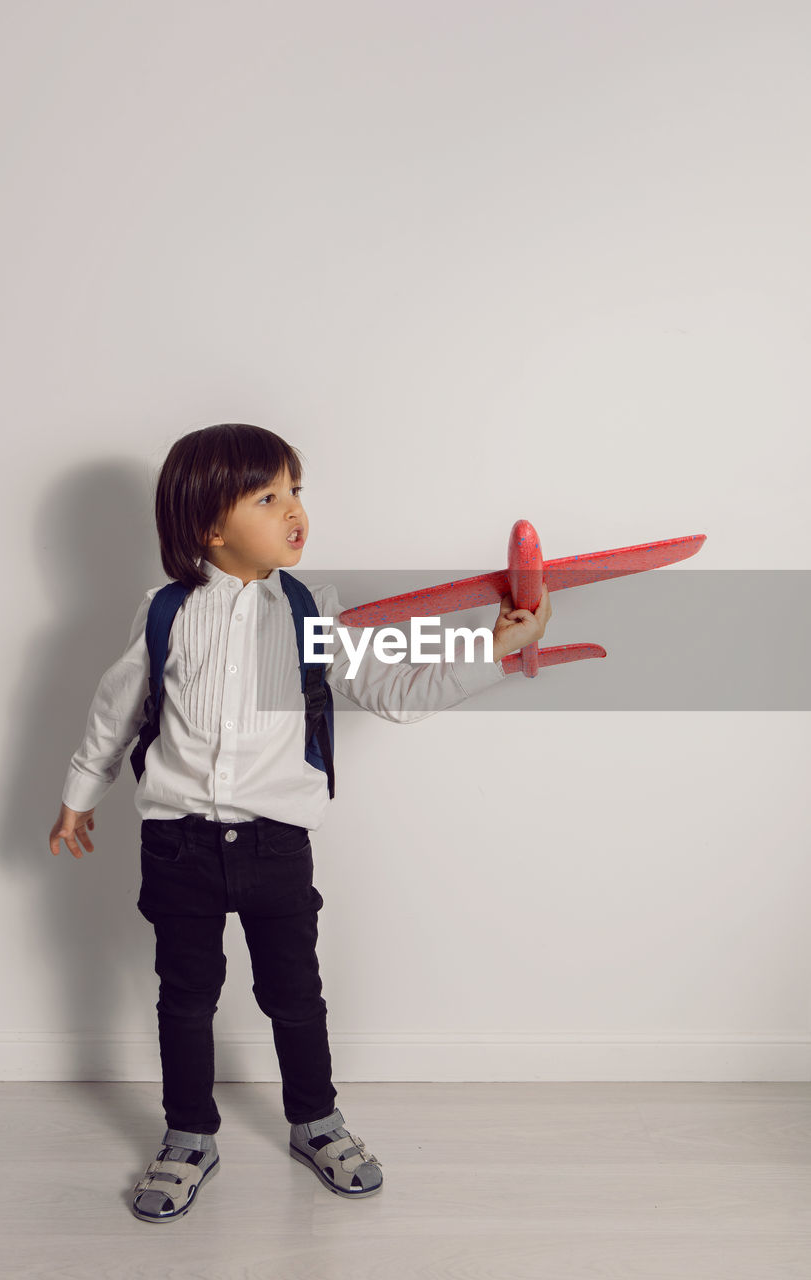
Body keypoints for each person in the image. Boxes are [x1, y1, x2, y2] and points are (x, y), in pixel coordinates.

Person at [48, 423, 552, 1223]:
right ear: (209, 526)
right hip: (177, 843)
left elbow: (394, 691)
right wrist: (80, 793)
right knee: (185, 996)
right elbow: (116, 712)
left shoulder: (312, 611)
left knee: (295, 993)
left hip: (277, 843)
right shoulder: (164, 612)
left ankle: (315, 1121)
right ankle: (187, 1136)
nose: (295, 511)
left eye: (296, 492)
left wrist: (493, 651)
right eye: (268, 496)